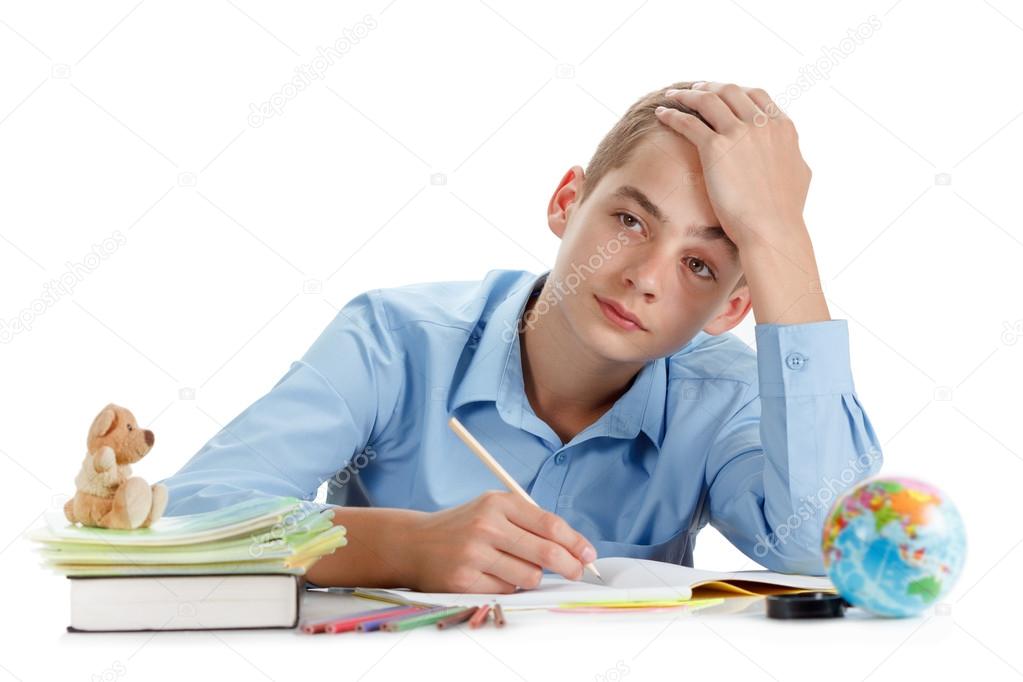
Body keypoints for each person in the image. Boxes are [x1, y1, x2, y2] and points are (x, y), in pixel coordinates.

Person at [160, 80, 883, 593]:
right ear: (566, 203)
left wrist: (778, 235)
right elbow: (189, 516)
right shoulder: (394, 341)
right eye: (629, 221)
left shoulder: (720, 397)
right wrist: (399, 548)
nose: (645, 277)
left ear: (731, 308)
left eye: (699, 264)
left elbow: (827, 545)